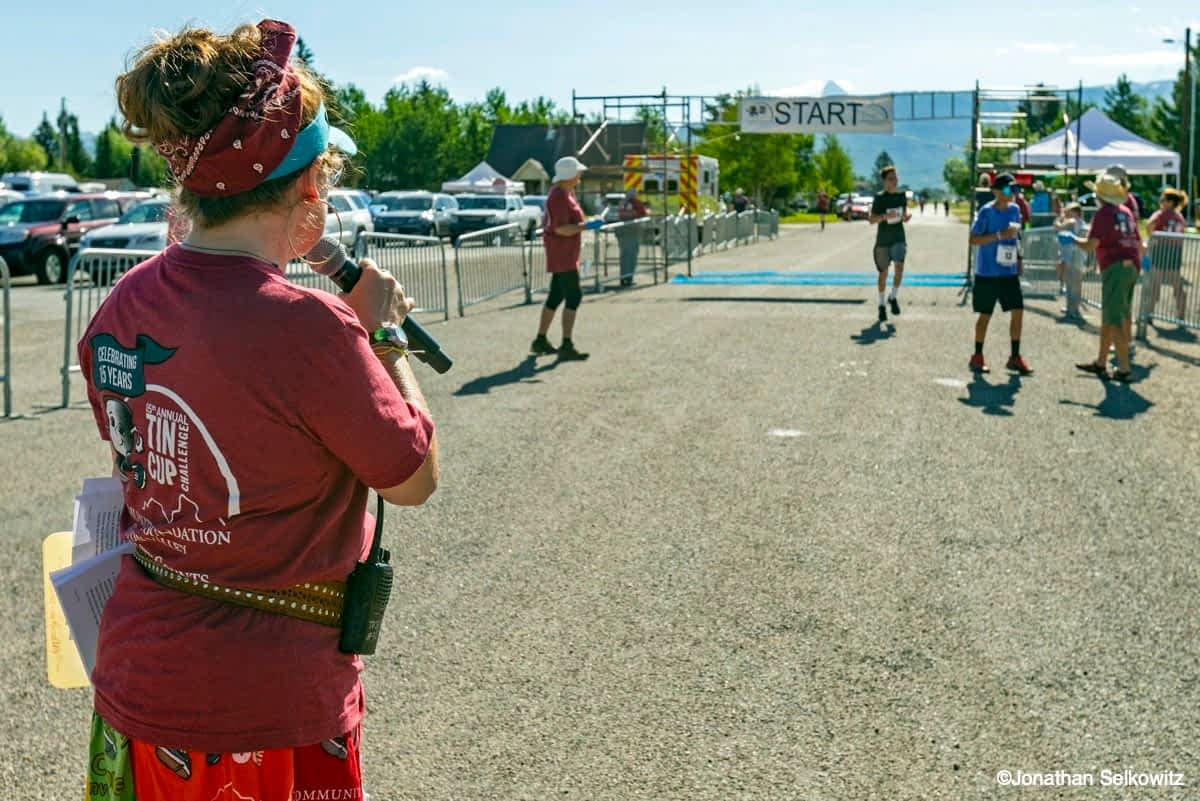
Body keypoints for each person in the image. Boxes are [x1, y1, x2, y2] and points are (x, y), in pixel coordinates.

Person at [78, 19, 438, 800]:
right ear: (310, 187)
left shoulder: (121, 305)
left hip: (141, 679)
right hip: (272, 702)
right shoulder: (312, 330)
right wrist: (385, 338)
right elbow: (412, 475)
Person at [1072, 173, 1143, 382]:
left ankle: (1124, 369)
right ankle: (1101, 362)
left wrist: (1072, 240)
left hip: (1115, 266)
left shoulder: (1103, 214)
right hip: (1130, 265)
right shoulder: (1126, 212)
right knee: (1113, 315)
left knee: (1114, 318)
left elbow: (1091, 244)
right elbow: (1137, 241)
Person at [530, 156, 602, 360]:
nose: (580, 176)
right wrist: (586, 226)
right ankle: (566, 344)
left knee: (555, 296)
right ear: (569, 175)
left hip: (565, 254)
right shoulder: (559, 196)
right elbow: (561, 228)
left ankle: (540, 339)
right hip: (562, 255)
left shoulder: (565, 193)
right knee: (574, 296)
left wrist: (587, 223)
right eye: (578, 173)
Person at [967, 173, 1033, 374]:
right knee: (985, 314)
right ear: (996, 191)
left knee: (1018, 311)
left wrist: (1019, 259)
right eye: (1007, 189)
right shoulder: (986, 212)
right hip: (987, 272)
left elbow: (1015, 237)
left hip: (1008, 271)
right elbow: (973, 239)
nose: (1012, 193)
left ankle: (1014, 356)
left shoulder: (1015, 210)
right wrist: (998, 235)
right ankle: (977, 356)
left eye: (1014, 189)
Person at [868, 165, 910, 322]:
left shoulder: (901, 196)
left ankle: (893, 297)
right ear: (884, 182)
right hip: (883, 240)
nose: (895, 181)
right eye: (891, 178)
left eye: (896, 177)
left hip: (898, 237)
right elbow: (872, 220)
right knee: (883, 273)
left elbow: (904, 214)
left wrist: (905, 217)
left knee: (899, 267)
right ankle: (881, 304)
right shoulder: (879, 198)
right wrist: (885, 216)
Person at [1144, 187, 1189, 323]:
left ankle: (1148, 315)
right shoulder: (1179, 216)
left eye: (1163, 199)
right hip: (1174, 253)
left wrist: (1154, 238)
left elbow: (1149, 227)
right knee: (1177, 286)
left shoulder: (1161, 214)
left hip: (1160, 252)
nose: (1160, 201)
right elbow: (1181, 234)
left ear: (1170, 202)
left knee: (1154, 287)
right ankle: (1181, 317)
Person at [1053, 202, 1086, 319]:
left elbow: (1058, 227)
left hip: (1073, 255)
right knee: (1074, 282)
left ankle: (1073, 309)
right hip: (1075, 255)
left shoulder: (1073, 221)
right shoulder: (1079, 222)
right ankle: (1072, 308)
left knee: (1073, 283)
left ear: (1076, 212)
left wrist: (1058, 218)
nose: (1066, 212)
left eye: (1069, 211)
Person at [615, 187, 648, 287]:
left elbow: (620, 214)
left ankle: (623, 277)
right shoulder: (636, 202)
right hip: (633, 231)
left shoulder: (622, 203)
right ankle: (628, 278)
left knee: (624, 256)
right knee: (632, 256)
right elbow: (643, 214)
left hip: (622, 231)